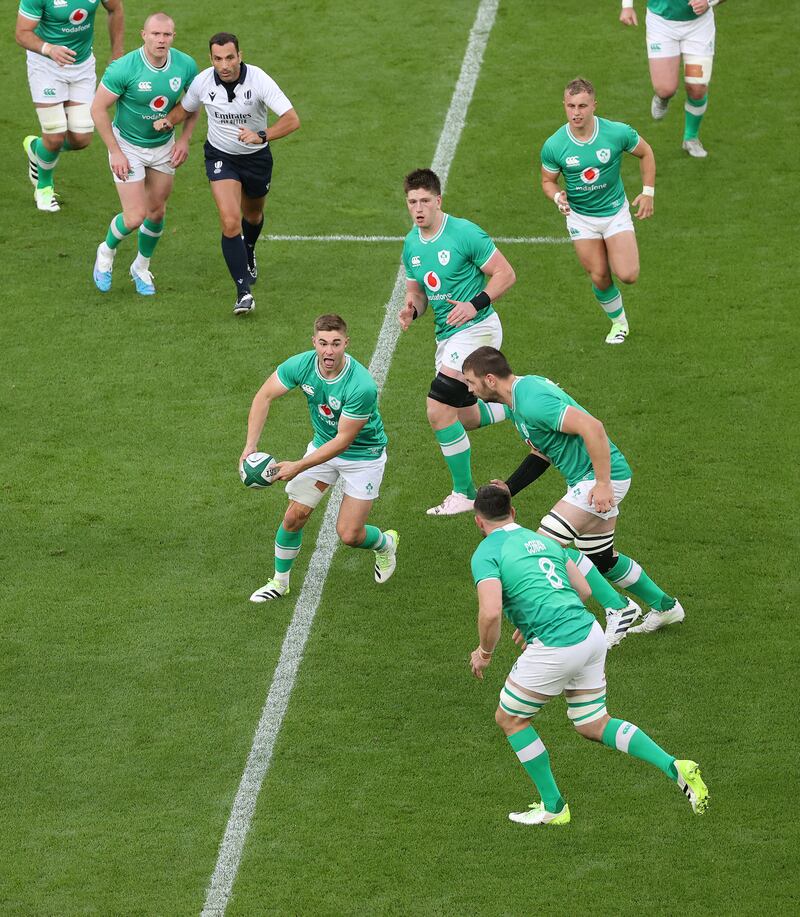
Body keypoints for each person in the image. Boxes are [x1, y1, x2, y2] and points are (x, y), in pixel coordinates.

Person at [469, 484, 709, 825]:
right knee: (593, 723)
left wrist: (484, 652)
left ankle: (554, 807)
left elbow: (491, 612)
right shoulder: (548, 542)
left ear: (479, 522)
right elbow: (581, 589)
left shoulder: (486, 553)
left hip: (556, 645)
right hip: (589, 634)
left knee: (510, 719)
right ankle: (674, 766)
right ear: (514, 513)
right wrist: (541, 614)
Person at [462, 346, 684, 643]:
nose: (469, 390)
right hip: (589, 479)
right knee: (601, 557)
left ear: (489, 379)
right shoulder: (517, 403)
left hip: (599, 478)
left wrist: (603, 484)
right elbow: (542, 452)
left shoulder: (532, 401)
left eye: (471, 383)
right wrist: (510, 487)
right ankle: (666, 606)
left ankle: (618, 607)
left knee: (547, 544)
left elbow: (593, 427)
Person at [240, 314, 398, 602]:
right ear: (314, 342)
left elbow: (343, 441)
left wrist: (298, 465)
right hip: (323, 446)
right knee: (294, 516)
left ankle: (386, 543)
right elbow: (264, 396)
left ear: (346, 343)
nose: (329, 351)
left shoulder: (360, 386)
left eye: (336, 344)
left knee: (349, 534)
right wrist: (250, 446)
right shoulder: (301, 365)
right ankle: (280, 581)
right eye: (323, 343)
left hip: (363, 457)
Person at [154, 32, 300, 316]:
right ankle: (243, 291)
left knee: (253, 216)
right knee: (230, 221)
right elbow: (185, 108)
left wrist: (262, 135)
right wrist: (165, 122)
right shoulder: (204, 82)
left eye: (230, 58)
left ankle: (248, 248)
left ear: (240, 55)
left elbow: (292, 119)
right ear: (211, 59)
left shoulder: (258, 80)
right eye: (218, 59)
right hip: (221, 156)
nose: (225, 65)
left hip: (256, 158)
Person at [399, 168, 517, 516]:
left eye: (424, 201)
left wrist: (473, 304)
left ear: (438, 201)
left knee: (436, 407)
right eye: (412, 202)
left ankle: (464, 493)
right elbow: (416, 292)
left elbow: (506, 274)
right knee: (459, 416)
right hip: (448, 334)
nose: (418, 208)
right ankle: (517, 402)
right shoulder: (411, 244)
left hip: (478, 327)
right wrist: (412, 312)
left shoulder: (464, 232)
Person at [90, 12, 199, 296]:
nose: (161, 40)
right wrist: (115, 151)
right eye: (155, 34)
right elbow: (97, 109)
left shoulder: (185, 65)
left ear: (173, 37)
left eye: (166, 35)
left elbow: (193, 103)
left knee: (157, 212)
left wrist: (185, 140)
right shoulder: (124, 68)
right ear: (144, 35)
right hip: (127, 146)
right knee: (135, 215)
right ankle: (106, 251)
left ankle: (140, 267)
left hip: (163, 147)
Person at [540, 78, 656, 345]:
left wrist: (648, 192)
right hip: (581, 217)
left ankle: (616, 257)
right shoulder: (555, 145)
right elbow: (547, 181)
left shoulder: (616, 132)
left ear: (594, 105)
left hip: (614, 212)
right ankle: (619, 323)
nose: (576, 112)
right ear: (564, 106)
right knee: (600, 275)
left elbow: (646, 152)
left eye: (582, 105)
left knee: (628, 275)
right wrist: (558, 196)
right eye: (571, 106)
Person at [16, 0, 125, 213]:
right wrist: (49, 49)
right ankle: (44, 187)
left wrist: (117, 54)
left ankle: (37, 148)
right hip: (46, 65)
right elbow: (22, 32)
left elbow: (115, 8)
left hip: (82, 65)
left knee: (81, 138)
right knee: (55, 134)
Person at [620, 0, 724, 158]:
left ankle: (691, 138)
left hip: (699, 27)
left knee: (697, 88)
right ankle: (663, 98)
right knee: (665, 89)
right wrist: (627, 7)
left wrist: (709, 2)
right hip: (661, 25)